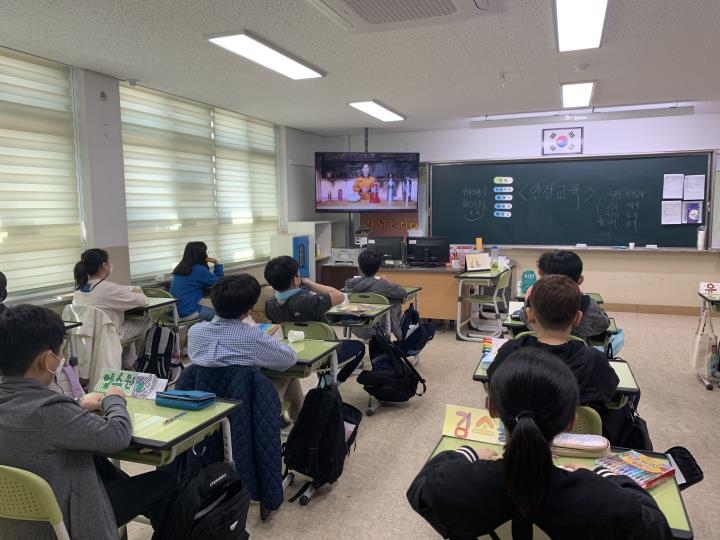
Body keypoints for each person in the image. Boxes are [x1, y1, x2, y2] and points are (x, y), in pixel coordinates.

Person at [407, 348, 673, 539]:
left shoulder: (455, 485)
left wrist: (468, 453)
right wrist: (605, 474)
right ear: (571, 421)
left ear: (492, 408)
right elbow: (657, 527)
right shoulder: (602, 500)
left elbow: (420, 488)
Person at [0, 305, 174, 539]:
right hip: (72, 518)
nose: (61, 358)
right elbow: (118, 435)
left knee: (102, 465)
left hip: (17, 523)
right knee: (166, 480)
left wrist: (77, 404)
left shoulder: (41, 407)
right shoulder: (50, 411)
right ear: (47, 360)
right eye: (60, 352)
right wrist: (114, 400)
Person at [188, 274, 304, 422]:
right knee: (289, 372)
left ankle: (295, 419)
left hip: (204, 400)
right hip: (247, 403)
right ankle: (299, 422)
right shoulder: (252, 337)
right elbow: (289, 359)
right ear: (249, 309)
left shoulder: (195, 331)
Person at [264, 256, 365, 382]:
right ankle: (332, 384)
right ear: (295, 280)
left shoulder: (269, 304)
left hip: (295, 352)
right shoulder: (309, 301)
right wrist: (308, 283)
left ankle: (325, 382)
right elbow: (339, 296)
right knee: (359, 347)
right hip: (325, 353)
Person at [72, 248, 152, 367]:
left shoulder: (79, 289)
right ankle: (144, 361)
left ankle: (128, 363)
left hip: (87, 338)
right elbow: (143, 300)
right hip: (108, 337)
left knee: (124, 326)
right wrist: (137, 291)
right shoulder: (107, 289)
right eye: (109, 262)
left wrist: (129, 289)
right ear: (104, 265)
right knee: (147, 321)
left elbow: (117, 291)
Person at [520, 250, 610, 338]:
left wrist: (527, 301)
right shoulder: (585, 303)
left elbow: (525, 318)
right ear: (580, 280)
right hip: (576, 350)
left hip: (538, 348)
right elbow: (603, 324)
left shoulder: (533, 299)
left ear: (541, 275)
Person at [345, 249, 408, 339]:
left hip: (356, 326)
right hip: (379, 329)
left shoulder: (350, 283)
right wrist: (387, 281)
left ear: (359, 266)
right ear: (379, 268)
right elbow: (402, 292)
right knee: (395, 305)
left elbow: (345, 290)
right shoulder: (383, 284)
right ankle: (402, 335)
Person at [170, 241, 224, 321]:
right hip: (187, 312)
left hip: (173, 312)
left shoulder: (181, 267)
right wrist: (216, 263)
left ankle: (195, 331)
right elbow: (220, 281)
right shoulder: (198, 269)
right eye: (206, 251)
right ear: (201, 254)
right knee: (221, 317)